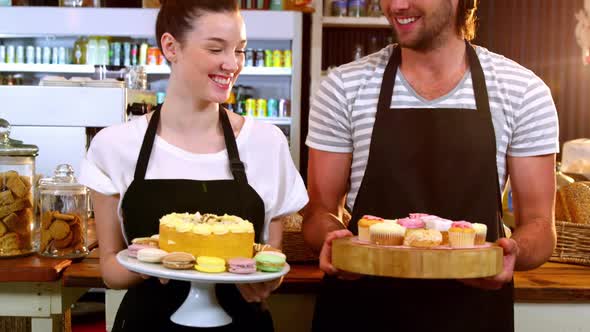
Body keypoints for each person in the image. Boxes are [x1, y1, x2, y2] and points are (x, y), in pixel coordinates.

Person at [303, 0, 558, 331]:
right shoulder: (343, 87)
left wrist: (513, 252)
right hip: (362, 307)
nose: (397, 5)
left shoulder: (522, 91)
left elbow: (540, 225)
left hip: (472, 312)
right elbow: (318, 211)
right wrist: (335, 242)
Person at [79, 1, 308, 331]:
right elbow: (110, 271)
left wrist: (262, 281)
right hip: (148, 323)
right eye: (217, 48)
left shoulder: (266, 144)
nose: (232, 64)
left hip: (241, 324)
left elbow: (270, 257)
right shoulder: (115, 145)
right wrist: (152, 261)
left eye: (240, 50)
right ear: (171, 47)